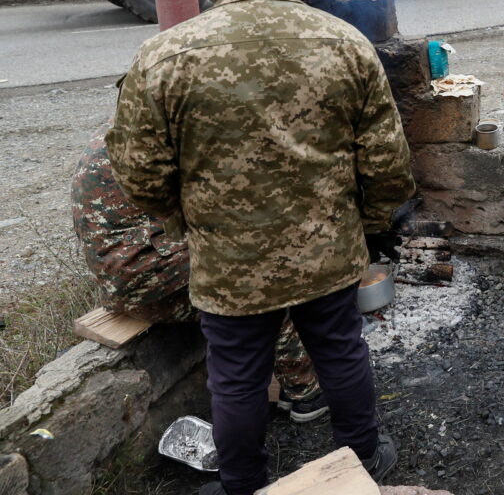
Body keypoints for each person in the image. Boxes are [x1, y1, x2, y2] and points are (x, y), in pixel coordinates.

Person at [106, 0, 415, 495]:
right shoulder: (345, 43)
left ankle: (243, 483)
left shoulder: (166, 56)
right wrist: (370, 226)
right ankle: (365, 460)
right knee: (341, 351)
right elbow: (388, 165)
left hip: (229, 262)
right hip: (327, 254)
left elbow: (140, 175)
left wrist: (189, 221)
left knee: (238, 376)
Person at [71, 130, 326, 422]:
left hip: (125, 279)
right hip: (147, 277)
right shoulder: (165, 140)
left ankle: (282, 385)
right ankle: (306, 394)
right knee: (261, 283)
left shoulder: (122, 131)